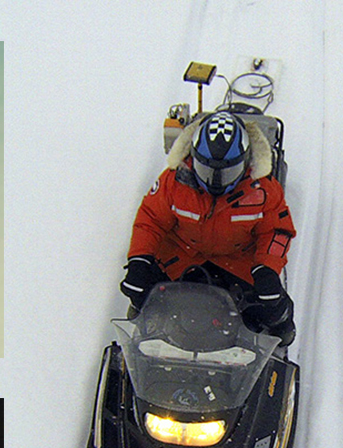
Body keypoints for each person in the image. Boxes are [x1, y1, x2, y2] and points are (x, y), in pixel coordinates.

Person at [121, 110, 298, 343]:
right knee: (141, 295)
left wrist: (267, 269)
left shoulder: (263, 190)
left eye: (227, 172)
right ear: (193, 159)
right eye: (207, 170)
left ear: (244, 162)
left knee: (276, 309)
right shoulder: (173, 182)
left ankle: (278, 339)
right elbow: (150, 220)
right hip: (183, 256)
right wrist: (139, 260)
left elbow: (277, 231)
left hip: (238, 262)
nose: (215, 180)